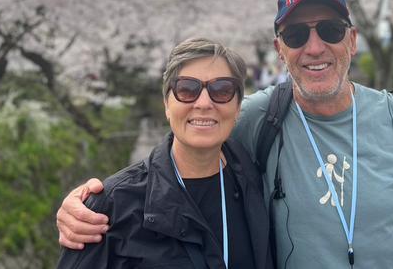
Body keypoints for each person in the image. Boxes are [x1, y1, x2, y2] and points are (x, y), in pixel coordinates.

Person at [56, 0, 393, 268]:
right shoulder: (255, 117)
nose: (315, 46)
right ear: (279, 50)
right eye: (297, 34)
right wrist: (94, 200)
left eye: (331, 30)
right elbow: (189, 137)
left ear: (353, 40)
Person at [57, 38, 274, 268]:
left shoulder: (256, 180)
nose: (203, 103)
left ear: (238, 106)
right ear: (166, 104)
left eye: (222, 90)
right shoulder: (112, 207)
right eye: (187, 89)